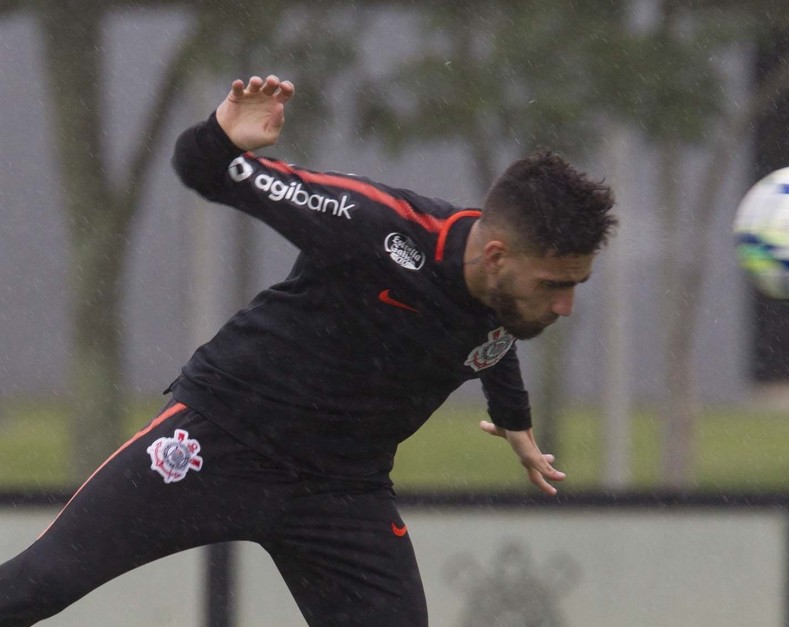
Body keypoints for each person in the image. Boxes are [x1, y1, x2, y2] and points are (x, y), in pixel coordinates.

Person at [0, 74, 616, 626]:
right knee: (36, 586)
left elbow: (493, 330)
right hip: (219, 441)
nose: (564, 306)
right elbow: (200, 168)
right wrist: (223, 135)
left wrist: (515, 421)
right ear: (497, 256)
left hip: (342, 491)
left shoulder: (503, 291)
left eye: (575, 286)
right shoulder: (373, 225)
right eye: (555, 285)